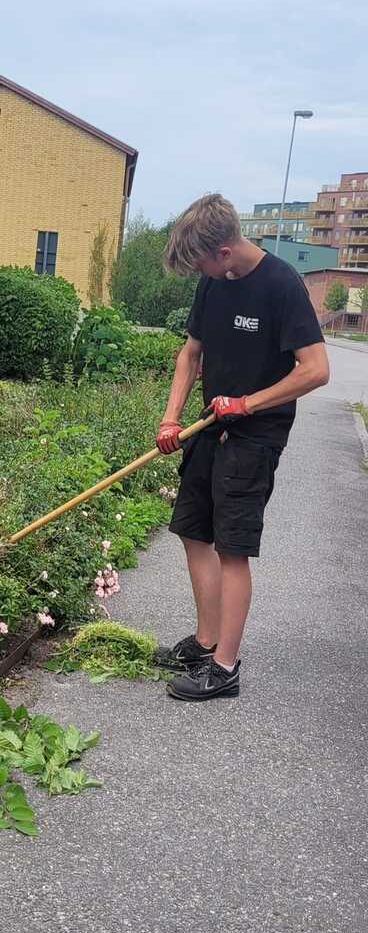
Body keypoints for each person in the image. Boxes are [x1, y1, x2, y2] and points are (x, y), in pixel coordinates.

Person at [154, 193, 329, 701]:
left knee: (232, 549)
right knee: (192, 532)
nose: (199, 273)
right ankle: (206, 643)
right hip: (209, 428)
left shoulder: (282, 286)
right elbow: (190, 354)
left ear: (225, 250)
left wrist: (247, 404)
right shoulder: (213, 283)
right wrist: (171, 417)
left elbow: (316, 370)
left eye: (202, 263)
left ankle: (225, 668)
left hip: (254, 438)